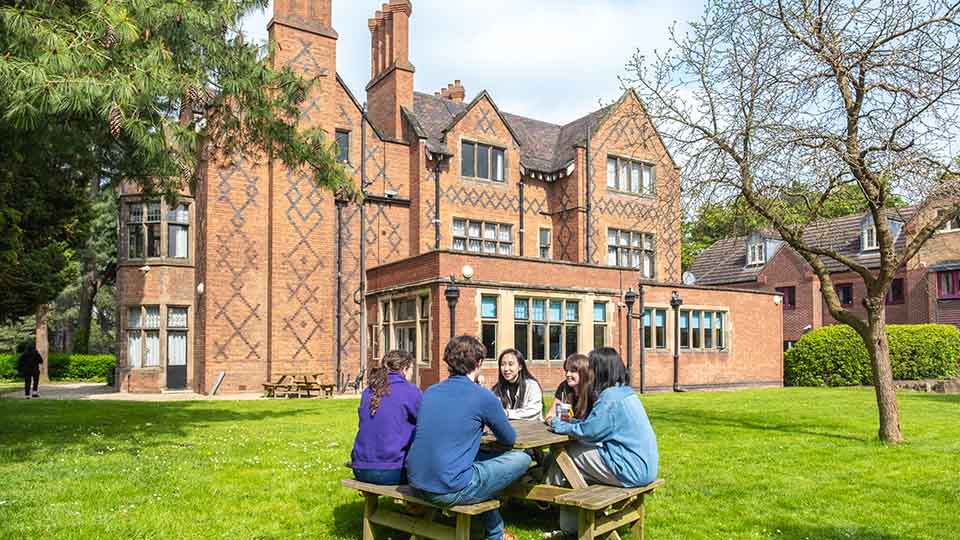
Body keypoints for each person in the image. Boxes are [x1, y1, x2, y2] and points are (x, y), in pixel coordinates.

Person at [407, 336, 531, 540]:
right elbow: (509, 439)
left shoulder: (430, 391)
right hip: (448, 487)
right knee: (523, 458)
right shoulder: (483, 396)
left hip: (416, 480)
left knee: (477, 460)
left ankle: (496, 532)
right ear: (479, 363)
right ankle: (497, 534)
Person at [546, 348, 659, 534]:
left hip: (630, 470)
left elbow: (590, 432)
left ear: (600, 369)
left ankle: (546, 491)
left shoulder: (609, 398)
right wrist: (574, 423)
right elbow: (595, 426)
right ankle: (569, 520)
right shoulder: (624, 392)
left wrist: (560, 425)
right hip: (645, 466)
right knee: (574, 455)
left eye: (591, 366)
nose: (589, 371)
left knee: (567, 454)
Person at [351, 350, 422, 485]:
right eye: (412, 369)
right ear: (405, 369)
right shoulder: (410, 391)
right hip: (391, 470)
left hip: (360, 467)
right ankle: (418, 506)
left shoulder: (368, 391)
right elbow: (426, 424)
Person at [491, 348, 544, 421]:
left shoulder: (532, 385)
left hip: (533, 429)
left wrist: (507, 413)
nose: (506, 369)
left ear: (520, 367)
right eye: (502, 364)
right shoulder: (498, 388)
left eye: (511, 364)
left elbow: (534, 410)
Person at [544, 353, 591, 423]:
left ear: (584, 372)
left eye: (573, 371)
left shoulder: (592, 390)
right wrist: (554, 422)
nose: (567, 374)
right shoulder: (564, 387)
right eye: (566, 370)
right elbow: (550, 415)